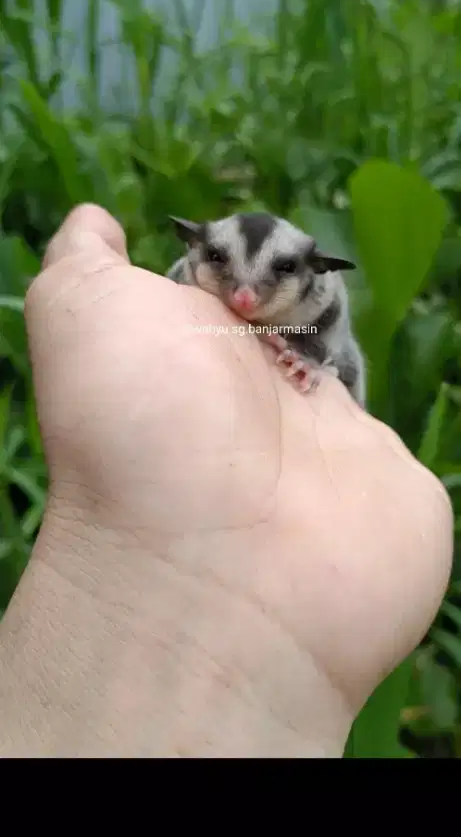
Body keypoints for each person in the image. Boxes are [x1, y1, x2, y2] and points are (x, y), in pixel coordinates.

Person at [0, 204, 453, 757]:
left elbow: (331, 342)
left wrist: (311, 358)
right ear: (195, 248)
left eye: (275, 275)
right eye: (221, 264)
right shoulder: (186, 281)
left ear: (313, 271)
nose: (243, 297)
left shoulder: (320, 296)